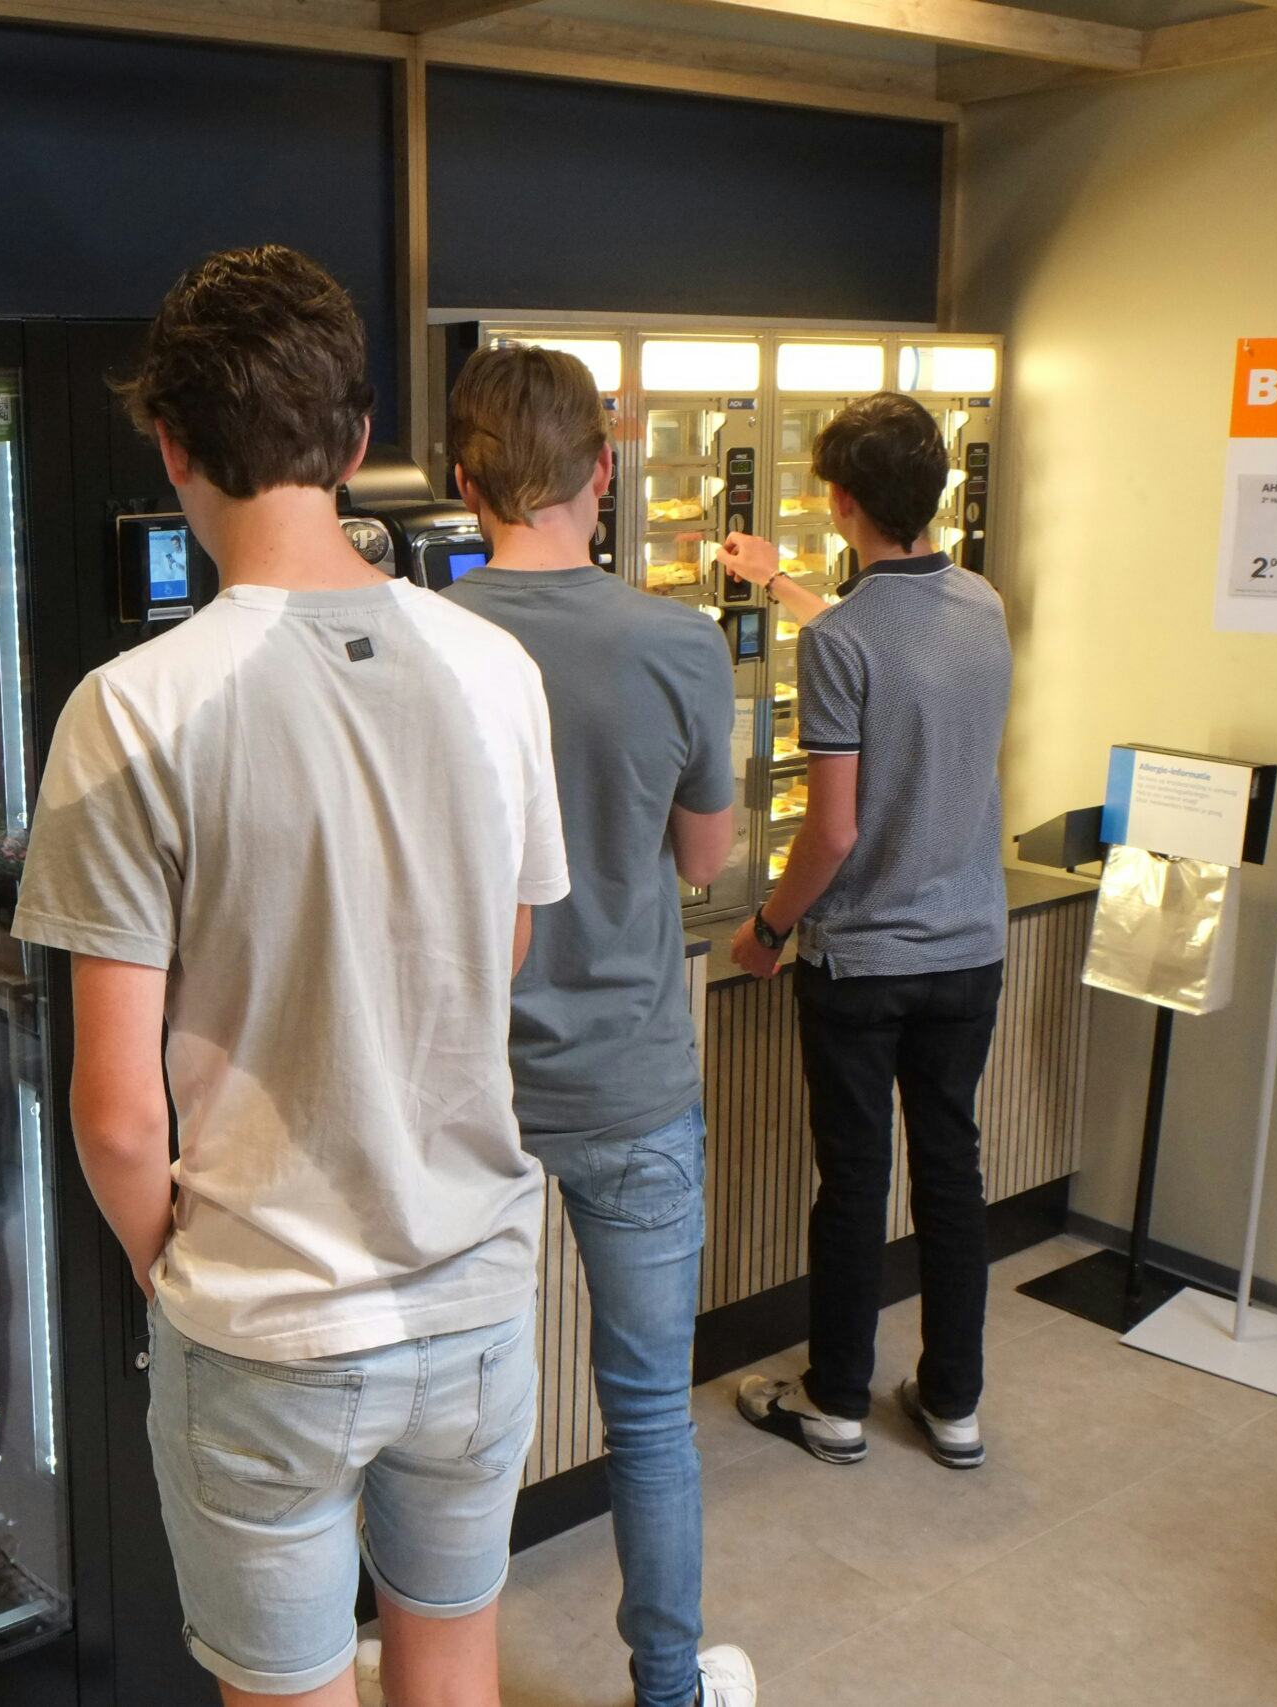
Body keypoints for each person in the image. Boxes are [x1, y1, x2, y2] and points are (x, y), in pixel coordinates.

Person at [12, 245, 569, 1707]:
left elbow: (120, 1111)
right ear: (361, 441)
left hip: (265, 1316)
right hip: (475, 1291)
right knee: (455, 1672)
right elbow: (503, 943)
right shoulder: (494, 668)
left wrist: (170, 1268)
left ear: (172, 443)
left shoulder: (128, 710)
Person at [439, 345, 758, 1707]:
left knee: (451, 1421)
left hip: (469, 1094)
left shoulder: (424, 634)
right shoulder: (678, 642)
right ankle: (669, 1687)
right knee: (647, 1412)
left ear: (463, 482)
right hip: (632, 1080)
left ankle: (430, 1667)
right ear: (605, 470)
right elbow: (708, 863)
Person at [725, 392, 1012, 1473]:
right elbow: (895, 650)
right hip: (968, 953)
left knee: (854, 1183)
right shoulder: (981, 603)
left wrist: (765, 927)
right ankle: (953, 1406)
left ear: (839, 501)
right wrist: (780, 582)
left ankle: (836, 1400)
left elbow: (831, 832)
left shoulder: (837, 648)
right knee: (950, 1173)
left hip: (859, 962)